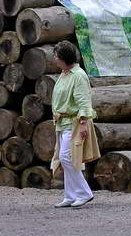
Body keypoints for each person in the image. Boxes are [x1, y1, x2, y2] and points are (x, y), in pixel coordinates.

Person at [49, 40, 100, 208]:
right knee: (64, 159)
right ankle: (70, 195)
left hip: (74, 122)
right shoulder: (64, 73)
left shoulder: (78, 75)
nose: (54, 59)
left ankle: (84, 192)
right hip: (62, 123)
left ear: (64, 58)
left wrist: (84, 123)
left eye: (56, 56)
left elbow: (83, 100)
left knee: (67, 157)